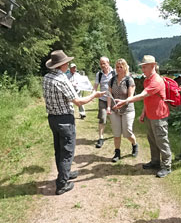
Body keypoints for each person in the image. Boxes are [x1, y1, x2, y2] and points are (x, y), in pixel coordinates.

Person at [43, 50, 105, 195]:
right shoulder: (62, 80)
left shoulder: (46, 77)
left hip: (52, 118)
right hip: (64, 119)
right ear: (62, 65)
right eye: (67, 62)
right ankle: (62, 184)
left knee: (59, 149)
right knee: (67, 152)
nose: (69, 64)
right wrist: (94, 95)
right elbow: (78, 101)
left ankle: (64, 173)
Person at [114, 55, 172, 178]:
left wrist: (125, 101)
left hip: (159, 116)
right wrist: (143, 113)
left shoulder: (156, 80)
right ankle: (155, 161)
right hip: (150, 115)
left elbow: (142, 95)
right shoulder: (147, 80)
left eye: (145, 67)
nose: (142, 69)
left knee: (162, 141)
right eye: (142, 67)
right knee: (152, 140)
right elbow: (147, 99)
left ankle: (167, 166)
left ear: (153, 66)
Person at [107, 59, 138, 162]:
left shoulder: (129, 80)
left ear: (125, 67)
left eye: (121, 67)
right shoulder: (112, 80)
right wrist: (108, 107)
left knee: (127, 132)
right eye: (117, 67)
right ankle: (117, 152)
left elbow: (130, 97)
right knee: (116, 133)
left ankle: (134, 144)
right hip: (115, 110)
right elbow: (109, 95)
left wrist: (122, 102)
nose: (119, 69)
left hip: (127, 110)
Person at [93, 56, 115, 148]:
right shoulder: (99, 74)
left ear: (108, 63)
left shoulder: (114, 72)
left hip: (113, 100)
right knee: (102, 118)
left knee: (114, 118)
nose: (102, 65)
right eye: (101, 63)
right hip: (102, 99)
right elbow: (95, 86)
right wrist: (93, 94)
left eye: (104, 63)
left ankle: (116, 134)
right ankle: (100, 138)